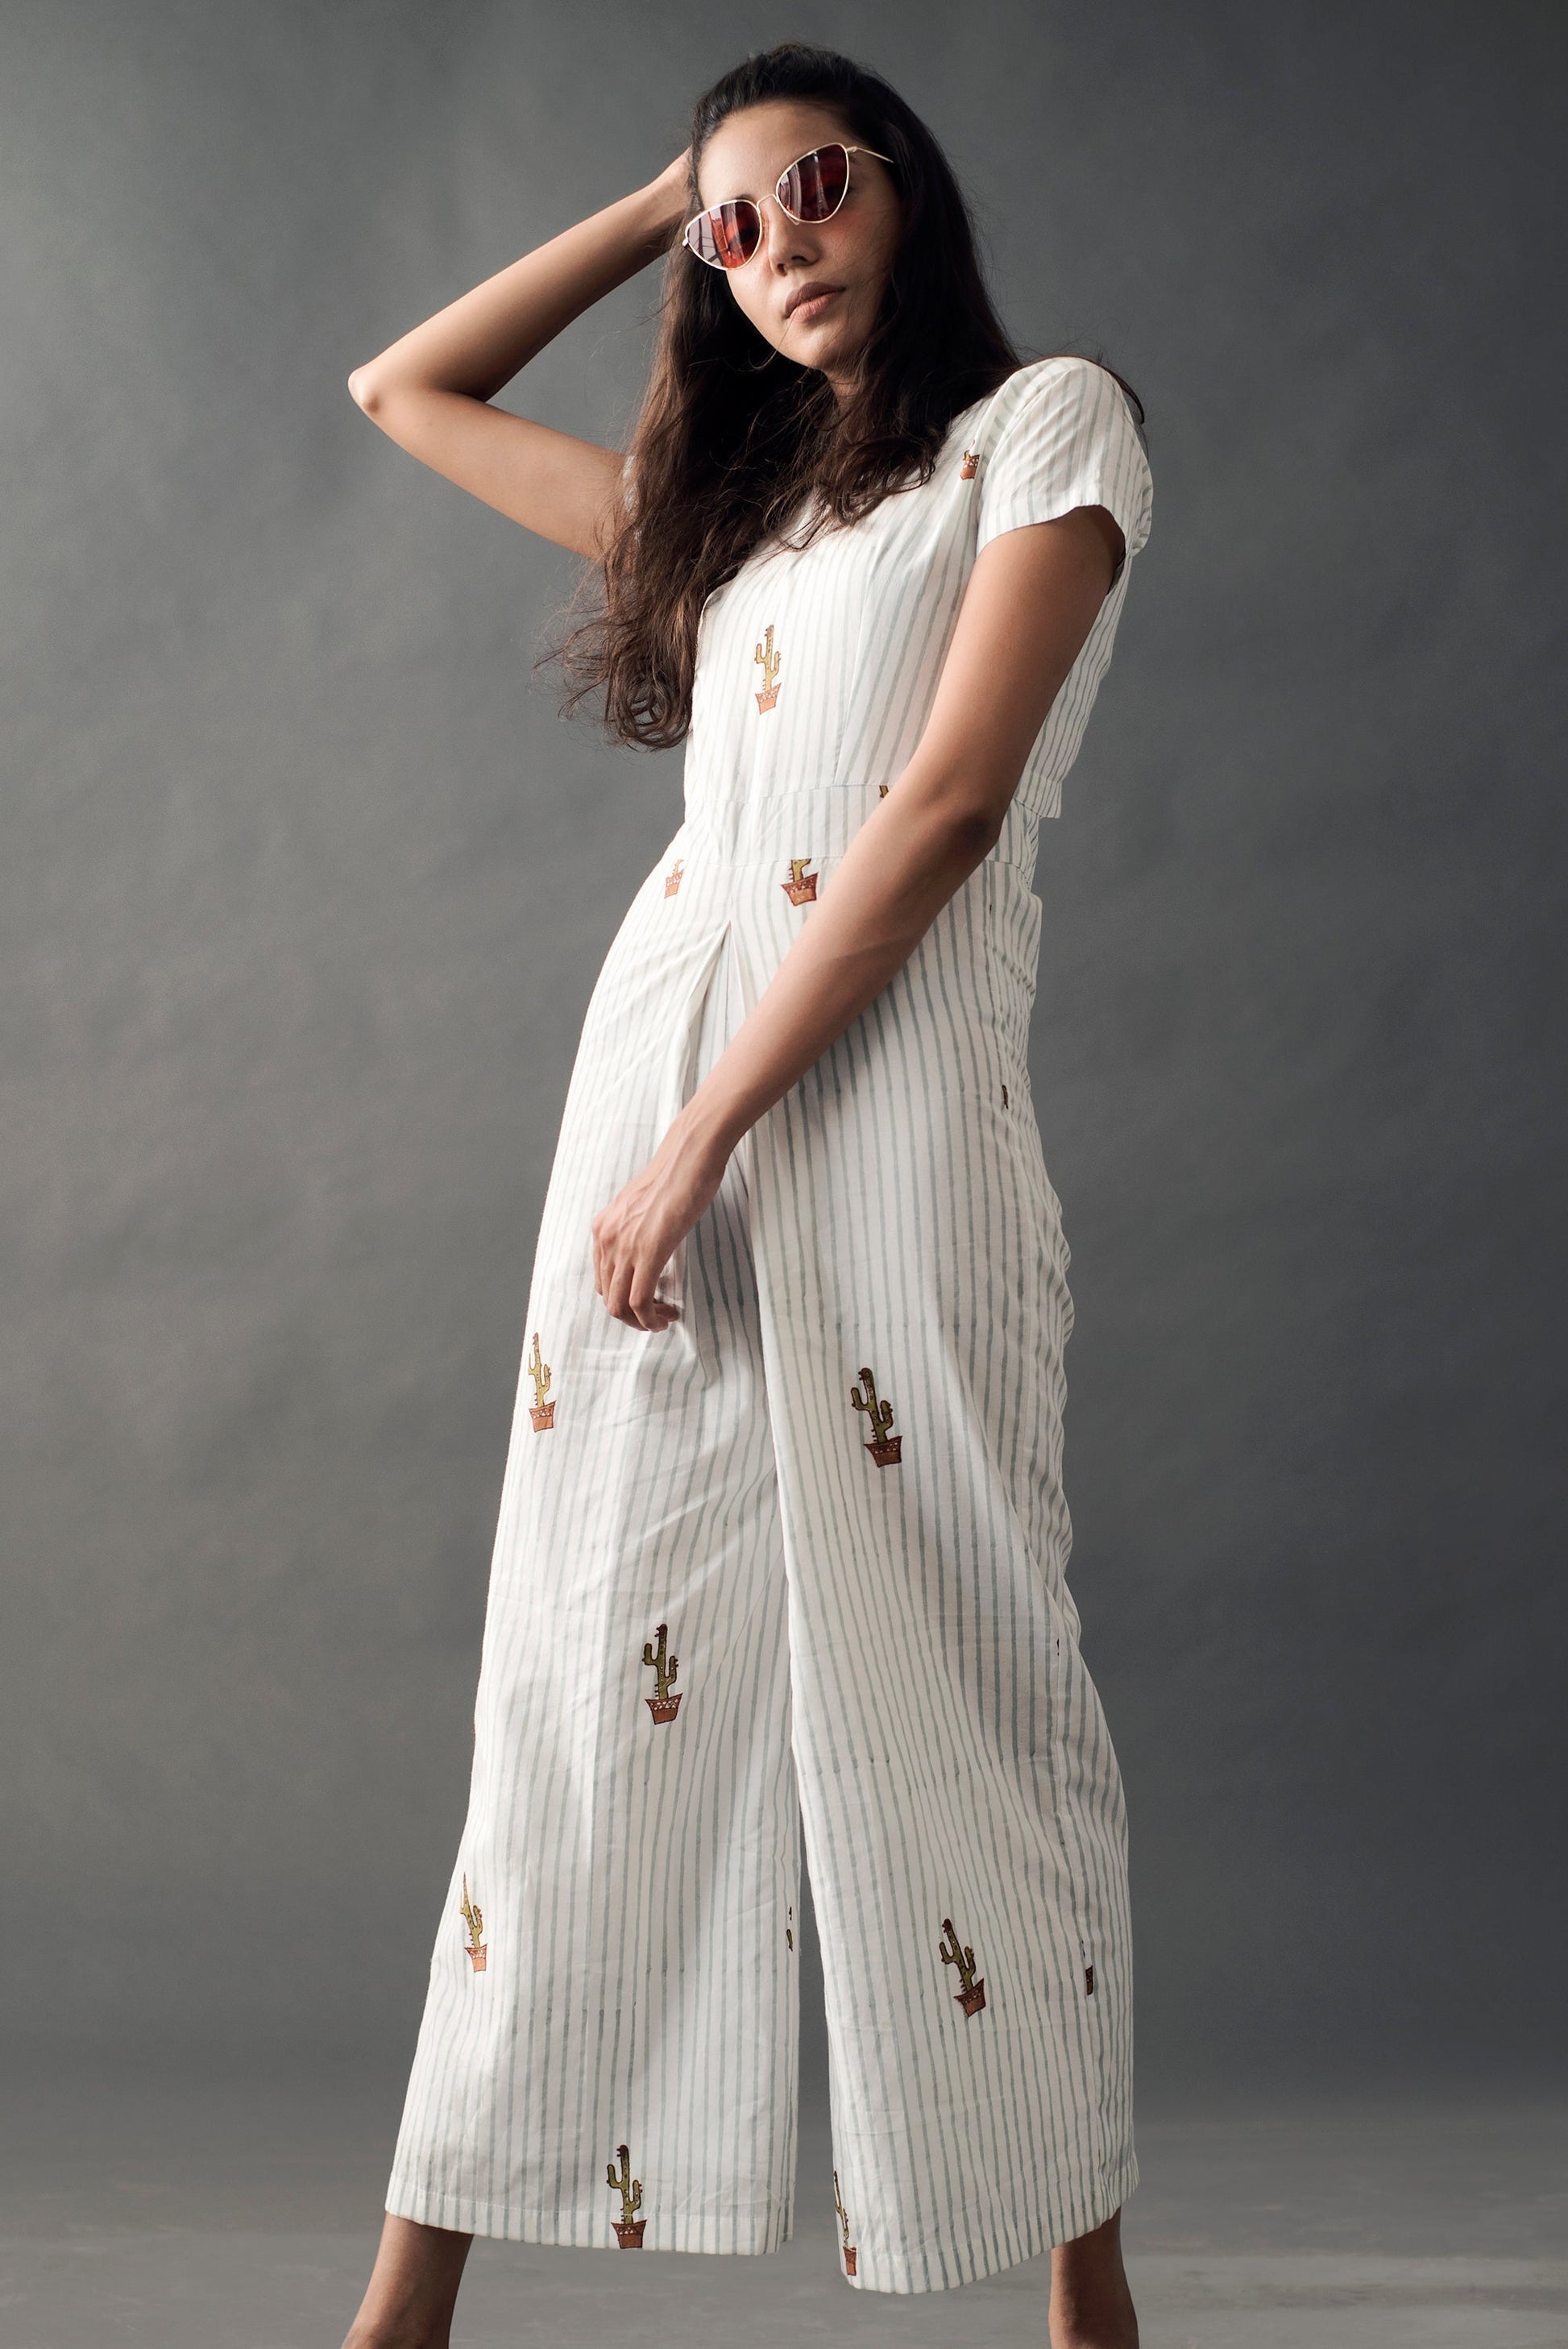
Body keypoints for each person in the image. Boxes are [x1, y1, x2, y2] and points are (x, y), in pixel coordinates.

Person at [341, 39, 1150, 2349]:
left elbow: (948, 809)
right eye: (736, 228)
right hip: (649, 1137)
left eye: (815, 188)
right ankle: (399, 2311)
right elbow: (403, 389)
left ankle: (1086, 2298)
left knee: (963, 1680)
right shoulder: (730, 532)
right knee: (577, 1669)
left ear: (905, 188)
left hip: (884, 1135)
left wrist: (711, 1136)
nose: (778, 245)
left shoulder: (1044, 433)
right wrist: (656, 213)